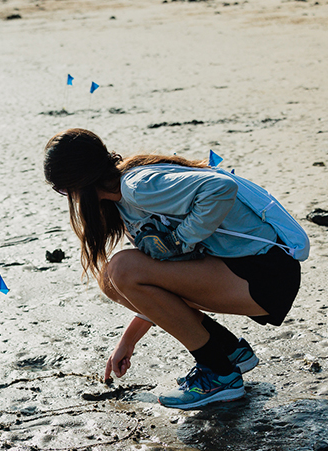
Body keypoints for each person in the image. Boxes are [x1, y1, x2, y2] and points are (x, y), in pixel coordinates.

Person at [42, 128, 301, 409]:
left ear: (79, 181)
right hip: (237, 273)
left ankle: (220, 375)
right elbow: (153, 289)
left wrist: (180, 240)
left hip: (265, 274)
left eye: (63, 190)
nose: (69, 197)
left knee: (123, 268)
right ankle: (229, 351)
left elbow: (220, 188)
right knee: (110, 278)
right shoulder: (123, 204)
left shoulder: (137, 186)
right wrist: (128, 341)